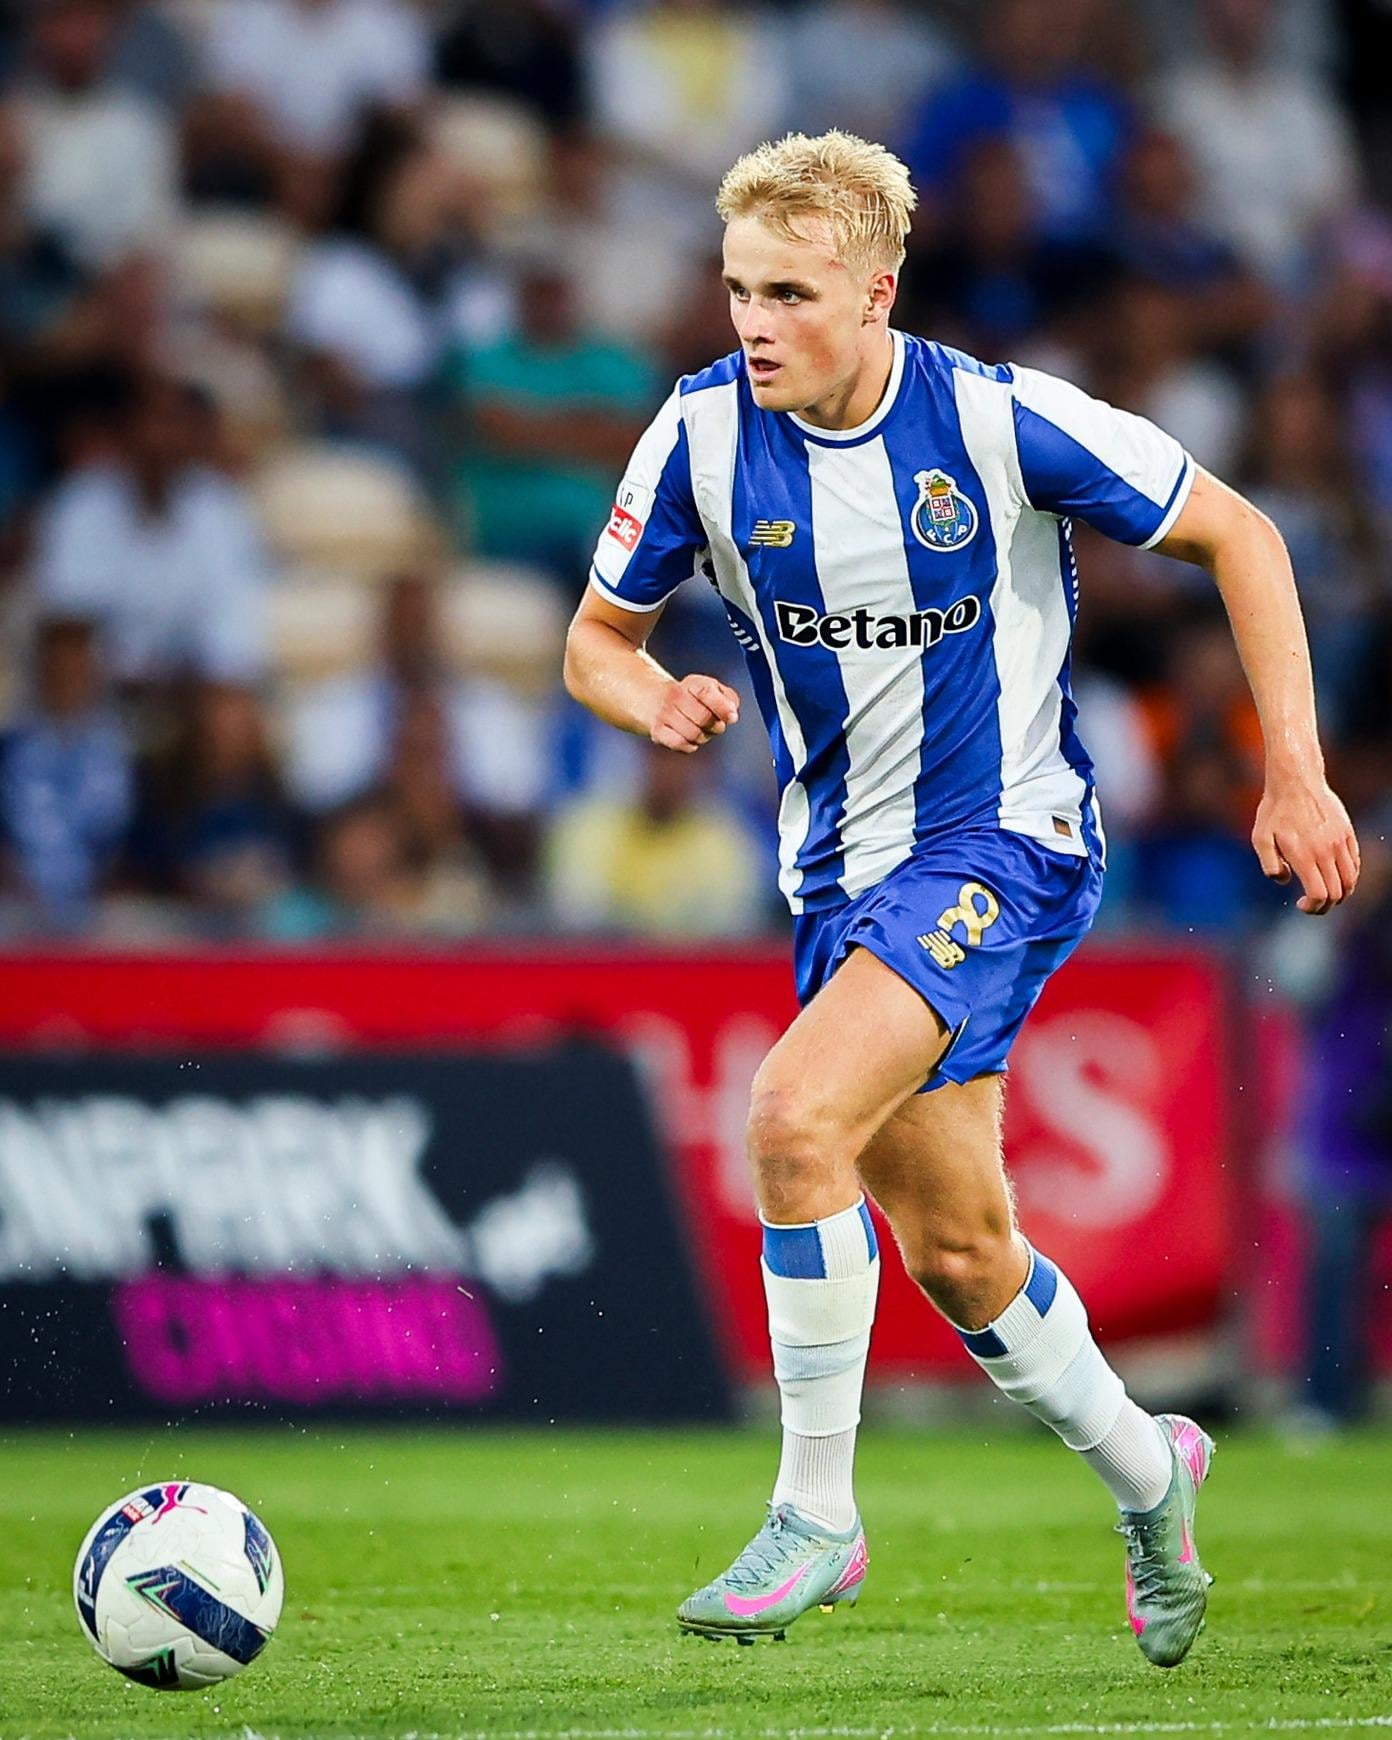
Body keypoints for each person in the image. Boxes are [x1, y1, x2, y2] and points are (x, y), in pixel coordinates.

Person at [562, 130, 1360, 1665]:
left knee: (793, 1118)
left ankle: (815, 1514)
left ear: (878, 291)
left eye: (790, 294)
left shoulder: (995, 420)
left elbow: (1240, 533)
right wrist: (645, 696)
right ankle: (1152, 1474)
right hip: (838, 876)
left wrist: (1296, 775)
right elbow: (596, 638)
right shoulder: (700, 437)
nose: (754, 324)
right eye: (738, 290)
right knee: (961, 1250)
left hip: (1007, 840)